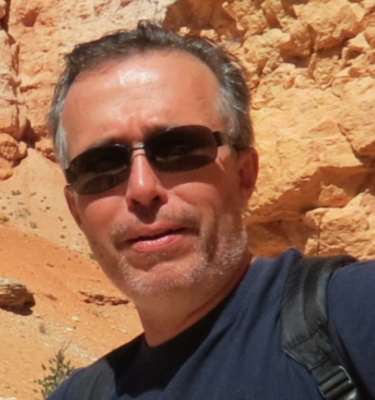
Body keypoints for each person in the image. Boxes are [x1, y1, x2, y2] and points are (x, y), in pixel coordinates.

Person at [47, 21, 375, 399]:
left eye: (179, 149)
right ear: (76, 211)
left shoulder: (355, 311)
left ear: (244, 176)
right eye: (101, 166)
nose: (142, 189)